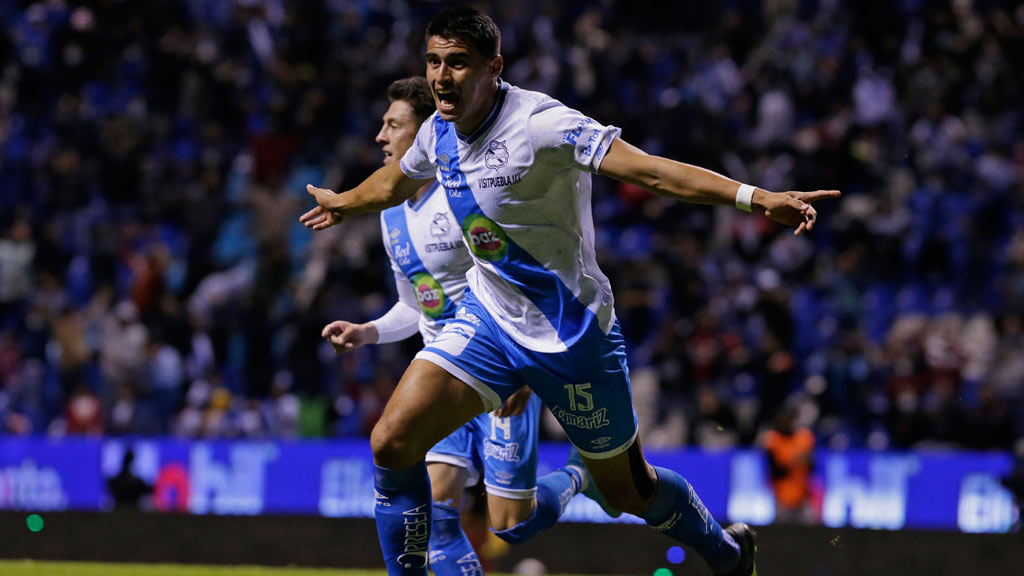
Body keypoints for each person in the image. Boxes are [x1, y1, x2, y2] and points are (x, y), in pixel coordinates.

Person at [301, 7, 840, 575]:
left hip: (572, 336)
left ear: (494, 67)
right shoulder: (437, 131)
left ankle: (727, 556)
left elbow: (652, 172)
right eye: (434, 62)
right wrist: (344, 203)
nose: (441, 77)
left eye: (458, 63)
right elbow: (395, 181)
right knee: (391, 441)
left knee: (629, 492)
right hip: (487, 320)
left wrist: (758, 198)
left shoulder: (541, 123)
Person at [319, 76, 602, 575]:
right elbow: (416, 303)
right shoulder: (389, 215)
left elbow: (517, 280)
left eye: (393, 125)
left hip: (498, 365)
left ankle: (581, 475)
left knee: (513, 524)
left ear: (425, 130)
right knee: (438, 512)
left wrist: (522, 371)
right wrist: (368, 331)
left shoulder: (468, 192)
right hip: (441, 371)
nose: (381, 137)